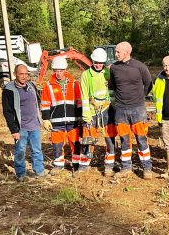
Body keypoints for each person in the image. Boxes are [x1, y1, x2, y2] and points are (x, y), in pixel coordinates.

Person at [109, 41, 153, 179]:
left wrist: (140, 97)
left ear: (127, 52)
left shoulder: (140, 67)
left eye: (118, 52)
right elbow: (114, 86)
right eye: (115, 51)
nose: (115, 54)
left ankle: (147, 168)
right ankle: (126, 167)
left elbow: (148, 84)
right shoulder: (114, 68)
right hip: (121, 110)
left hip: (138, 109)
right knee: (124, 140)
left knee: (142, 139)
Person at [2, 63, 46, 181]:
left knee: (36, 150)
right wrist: (14, 129)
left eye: (26, 74)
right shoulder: (9, 90)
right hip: (21, 128)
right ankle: (21, 174)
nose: (24, 76)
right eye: (21, 74)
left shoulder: (31, 86)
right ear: (14, 74)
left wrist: (42, 119)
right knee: (20, 151)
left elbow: (38, 103)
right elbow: (8, 111)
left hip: (34, 125)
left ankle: (39, 171)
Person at [40, 56, 82, 175]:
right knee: (57, 144)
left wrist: (80, 117)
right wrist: (46, 119)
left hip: (72, 120)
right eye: (56, 71)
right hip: (56, 121)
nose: (58, 73)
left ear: (65, 70)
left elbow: (79, 101)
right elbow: (45, 103)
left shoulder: (74, 84)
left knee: (75, 143)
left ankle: (76, 164)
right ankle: (58, 165)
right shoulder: (48, 85)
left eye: (60, 70)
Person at [79, 47, 117, 176]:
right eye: (96, 62)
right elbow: (84, 96)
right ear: (92, 60)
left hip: (107, 110)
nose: (98, 65)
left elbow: (113, 91)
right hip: (91, 111)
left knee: (110, 139)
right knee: (88, 140)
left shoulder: (107, 72)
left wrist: (112, 105)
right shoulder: (86, 75)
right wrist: (86, 116)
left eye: (101, 63)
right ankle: (83, 166)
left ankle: (109, 166)